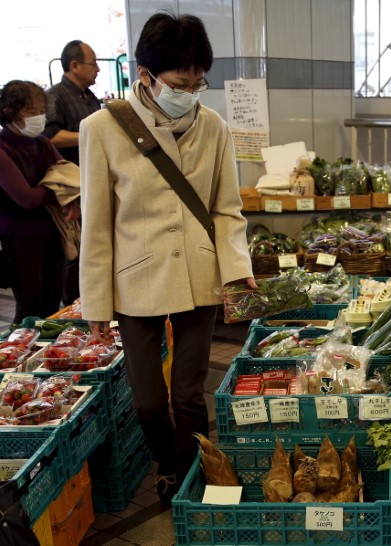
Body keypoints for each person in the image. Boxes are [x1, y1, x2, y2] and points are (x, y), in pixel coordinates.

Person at [79, 12, 256, 502]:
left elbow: (227, 208)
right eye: (180, 82)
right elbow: (96, 224)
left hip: (200, 272)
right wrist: (95, 301)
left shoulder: (214, 126)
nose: (190, 91)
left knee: (189, 394)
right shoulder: (102, 128)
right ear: (146, 74)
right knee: (148, 402)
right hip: (136, 279)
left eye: (199, 82)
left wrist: (237, 270)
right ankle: (164, 457)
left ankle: (187, 471)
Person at [0, 80, 74, 322]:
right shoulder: (3, 149)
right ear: (10, 112)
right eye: (31, 112)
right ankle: (17, 357)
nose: (39, 117)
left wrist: (57, 186)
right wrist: (55, 185)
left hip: (51, 234)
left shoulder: (41, 142)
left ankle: (48, 357)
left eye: (42, 111)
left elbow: (67, 174)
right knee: (29, 309)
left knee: (52, 305)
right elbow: (27, 198)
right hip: (20, 241)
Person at [44, 40, 102, 307]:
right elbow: (51, 136)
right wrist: (90, 135)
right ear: (75, 65)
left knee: (95, 246)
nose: (98, 69)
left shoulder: (90, 98)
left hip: (94, 181)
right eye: (93, 63)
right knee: (74, 251)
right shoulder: (56, 96)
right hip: (71, 190)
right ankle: (71, 308)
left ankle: (89, 301)